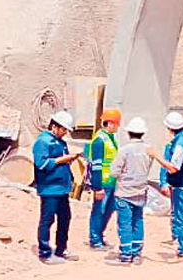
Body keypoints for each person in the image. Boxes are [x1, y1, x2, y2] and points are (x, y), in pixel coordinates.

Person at [152, 111, 183, 261]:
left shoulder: (179, 145)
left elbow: (173, 167)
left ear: (170, 128)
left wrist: (156, 157)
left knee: (182, 217)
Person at [34, 110, 80, 264]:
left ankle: (61, 249)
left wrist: (68, 160)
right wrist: (62, 160)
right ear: (55, 126)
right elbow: (42, 164)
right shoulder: (43, 142)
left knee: (65, 217)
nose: (65, 133)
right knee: (47, 220)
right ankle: (45, 253)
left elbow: (59, 161)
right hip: (50, 188)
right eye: (64, 129)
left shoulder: (61, 142)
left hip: (62, 188)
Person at [106, 117, 151, 266]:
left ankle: (126, 254)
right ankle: (137, 253)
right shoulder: (147, 150)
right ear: (143, 133)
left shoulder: (125, 150)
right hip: (141, 191)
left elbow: (114, 171)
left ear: (129, 133)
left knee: (125, 223)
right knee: (138, 221)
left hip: (124, 193)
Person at [85, 108, 121, 251]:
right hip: (103, 183)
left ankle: (100, 235)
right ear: (110, 123)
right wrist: (97, 187)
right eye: (117, 124)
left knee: (109, 209)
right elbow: (96, 165)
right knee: (98, 210)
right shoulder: (99, 140)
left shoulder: (110, 138)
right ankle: (95, 239)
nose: (118, 127)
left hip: (111, 182)